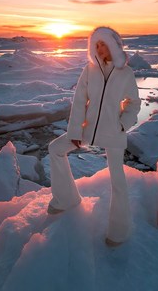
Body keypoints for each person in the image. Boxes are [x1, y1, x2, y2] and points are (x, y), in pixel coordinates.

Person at [47, 26, 141, 246]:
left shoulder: (126, 73)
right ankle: (67, 199)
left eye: (103, 44)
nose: (99, 49)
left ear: (114, 45)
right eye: (96, 44)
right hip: (88, 130)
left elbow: (134, 104)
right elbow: (80, 100)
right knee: (55, 149)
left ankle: (119, 232)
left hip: (113, 132)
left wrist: (122, 124)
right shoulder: (89, 70)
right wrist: (76, 131)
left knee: (118, 181)